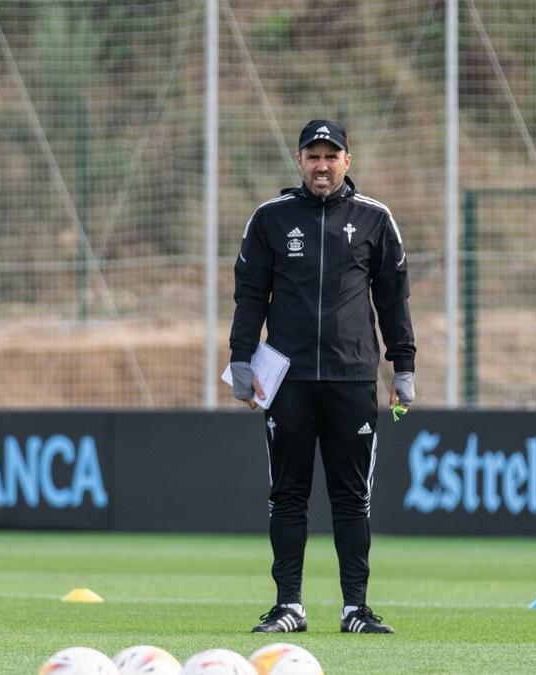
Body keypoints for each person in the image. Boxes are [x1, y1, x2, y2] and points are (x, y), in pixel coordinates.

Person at [228, 119, 416, 635]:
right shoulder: (270, 218)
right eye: (313, 155)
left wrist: (404, 366)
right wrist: (241, 359)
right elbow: (250, 295)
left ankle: (355, 607)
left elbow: (393, 298)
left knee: (352, 498)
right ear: (299, 160)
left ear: (347, 161)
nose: (322, 164)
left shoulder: (375, 219)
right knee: (287, 494)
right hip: (285, 381)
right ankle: (289, 605)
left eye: (331, 155)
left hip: (353, 379)